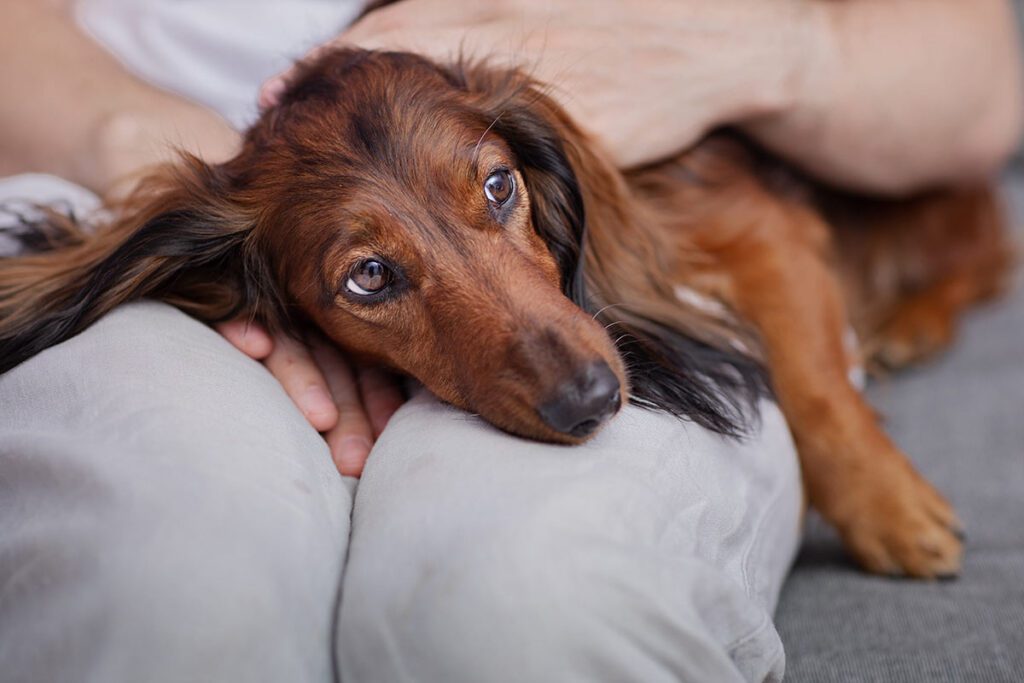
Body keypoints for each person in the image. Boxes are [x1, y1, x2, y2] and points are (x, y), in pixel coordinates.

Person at [0, 1, 1019, 681]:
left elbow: (978, 89)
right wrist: (123, 136)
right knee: (160, 579)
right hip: (140, 203)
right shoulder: (190, 227)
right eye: (376, 277)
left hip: (621, 218)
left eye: (496, 193)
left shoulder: (562, 172)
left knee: (526, 596)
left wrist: (721, 49)